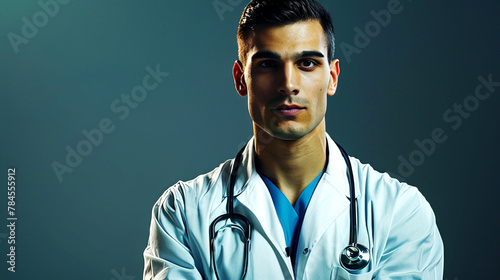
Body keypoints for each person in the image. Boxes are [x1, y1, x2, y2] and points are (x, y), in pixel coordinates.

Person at [143, 0, 444, 279]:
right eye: (267, 64)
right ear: (240, 79)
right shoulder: (182, 212)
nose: (288, 84)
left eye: (307, 63)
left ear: (332, 77)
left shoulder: (400, 211)